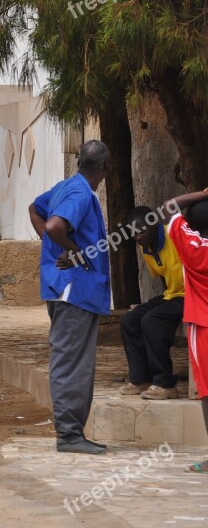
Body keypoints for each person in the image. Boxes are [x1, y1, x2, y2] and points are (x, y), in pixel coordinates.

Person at [28, 140, 112, 455]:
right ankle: (68, 435)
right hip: (73, 290)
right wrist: (74, 253)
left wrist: (54, 247)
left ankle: (72, 433)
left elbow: (35, 209)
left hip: (66, 286)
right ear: (105, 168)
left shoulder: (66, 186)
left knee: (76, 361)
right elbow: (53, 224)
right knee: (71, 362)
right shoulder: (78, 194)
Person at [158, 188, 208, 473]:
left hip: (202, 326)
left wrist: (202, 193)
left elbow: (169, 206)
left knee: (206, 391)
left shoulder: (189, 243)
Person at [119, 206, 184, 399]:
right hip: (172, 295)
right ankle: (141, 379)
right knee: (129, 320)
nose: (138, 236)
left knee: (151, 320)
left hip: (194, 295)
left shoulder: (174, 235)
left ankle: (165, 384)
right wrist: (162, 302)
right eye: (134, 233)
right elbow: (164, 278)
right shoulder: (145, 248)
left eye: (142, 230)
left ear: (155, 225)